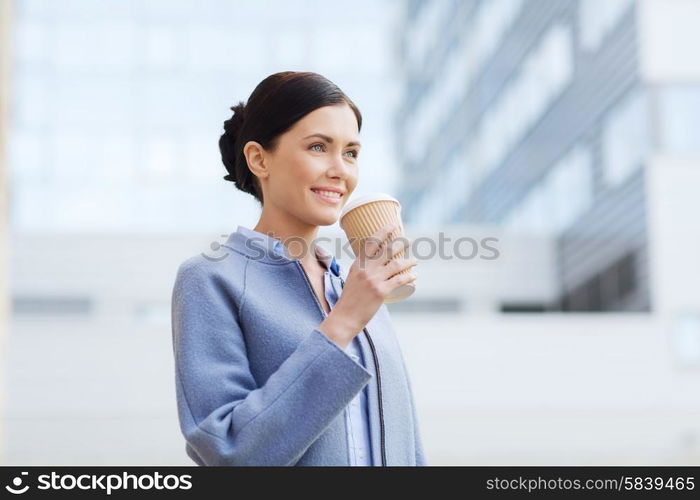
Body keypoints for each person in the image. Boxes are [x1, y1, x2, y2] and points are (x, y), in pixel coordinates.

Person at [171, 71, 426, 466]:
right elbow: (229, 451)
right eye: (318, 147)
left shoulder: (355, 286)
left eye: (351, 152)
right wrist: (343, 322)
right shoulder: (210, 280)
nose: (340, 169)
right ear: (258, 158)